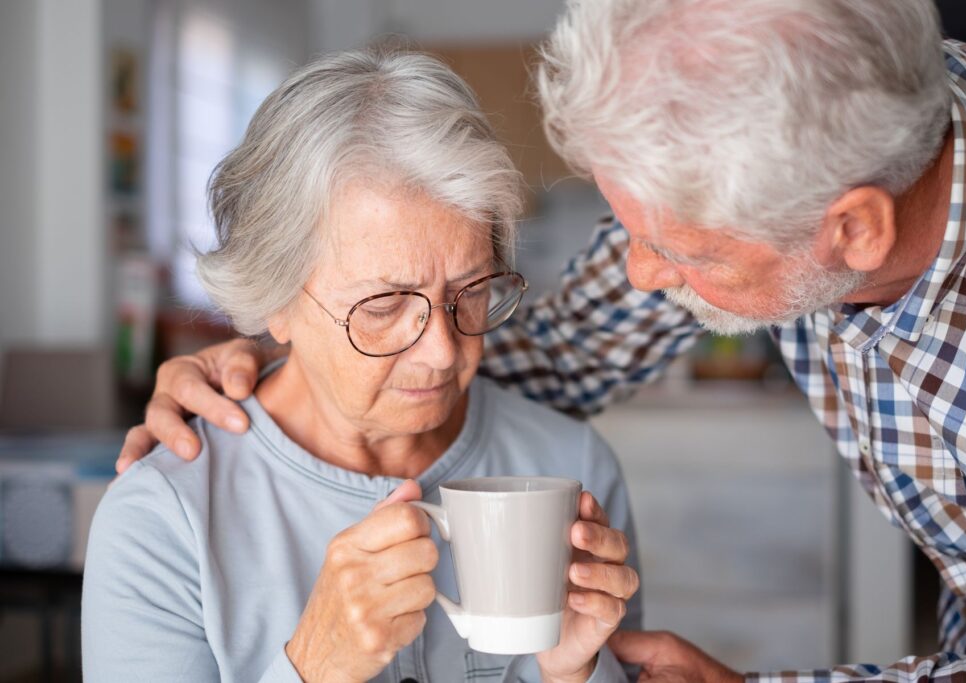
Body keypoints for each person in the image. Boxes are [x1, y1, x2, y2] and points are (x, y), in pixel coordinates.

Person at [118, 0, 966, 680]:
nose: (636, 274)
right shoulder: (826, 121)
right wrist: (285, 353)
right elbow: (545, 350)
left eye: (680, 249)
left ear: (854, 233)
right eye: (628, 223)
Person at [83, 49, 642, 683]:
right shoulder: (161, 521)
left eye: (473, 290)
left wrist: (575, 673)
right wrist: (313, 666)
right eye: (383, 306)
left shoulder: (577, 470)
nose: (441, 351)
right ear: (275, 302)